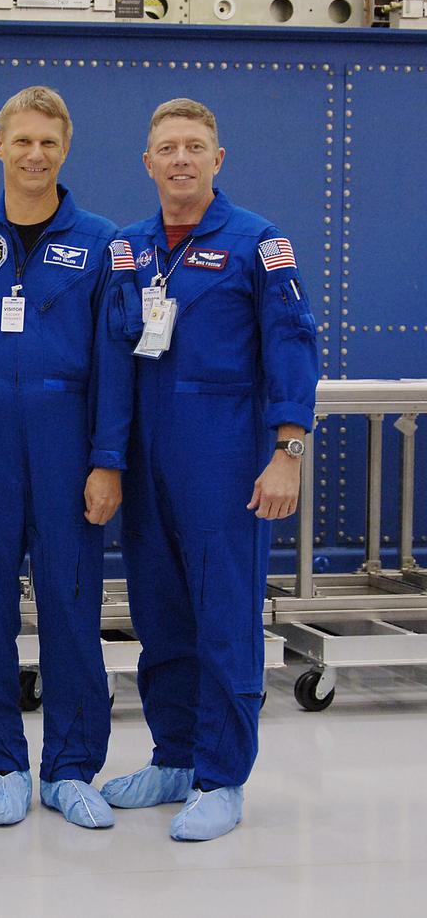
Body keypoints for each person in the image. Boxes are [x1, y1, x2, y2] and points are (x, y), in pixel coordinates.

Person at [100, 98, 319, 841]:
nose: (182, 159)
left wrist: (287, 450)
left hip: (225, 459)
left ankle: (222, 776)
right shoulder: (128, 249)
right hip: (145, 458)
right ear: (149, 162)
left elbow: (292, 344)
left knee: (224, 619)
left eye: (195, 146)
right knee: (160, 616)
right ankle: (174, 755)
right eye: (168, 147)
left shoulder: (259, 243)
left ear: (217, 160)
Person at [0, 85, 135, 829]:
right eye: (23, 140)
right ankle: (1, 764)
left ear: (66, 148)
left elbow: (117, 361)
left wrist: (108, 460)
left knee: (71, 606)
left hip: (66, 447)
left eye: (48, 141)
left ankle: (72, 766)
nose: (35, 154)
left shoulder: (103, 242)